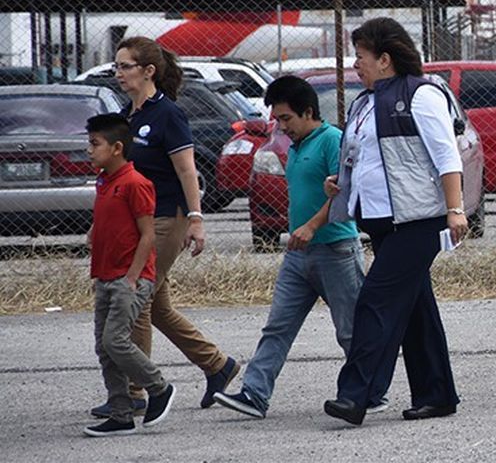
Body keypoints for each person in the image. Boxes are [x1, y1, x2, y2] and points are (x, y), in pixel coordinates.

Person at [322, 18, 467, 425]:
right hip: (382, 221)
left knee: (375, 302)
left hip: (418, 221)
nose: (355, 65)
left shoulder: (421, 94)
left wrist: (455, 210)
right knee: (417, 310)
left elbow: (446, 157)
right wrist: (342, 182)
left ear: (385, 59)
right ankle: (437, 394)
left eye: (361, 56)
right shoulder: (364, 103)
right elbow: (363, 156)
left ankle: (356, 396)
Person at [213, 76, 378, 419]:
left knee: (350, 331)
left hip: (336, 250)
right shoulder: (298, 145)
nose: (282, 127)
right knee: (278, 327)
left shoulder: (333, 140)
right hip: (298, 254)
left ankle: (371, 392)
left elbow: (344, 194)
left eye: (286, 119)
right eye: (277, 120)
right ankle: (254, 395)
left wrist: (313, 225)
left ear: (308, 112)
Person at [93, 37, 237, 420]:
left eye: (125, 66)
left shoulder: (167, 114)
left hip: (165, 218)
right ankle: (218, 366)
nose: (118, 72)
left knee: (134, 300)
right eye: (117, 66)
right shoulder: (129, 115)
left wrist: (196, 218)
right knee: (156, 306)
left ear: (148, 71)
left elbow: (187, 169)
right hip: (137, 220)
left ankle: (136, 392)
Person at [82, 114, 176, 437]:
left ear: (118, 148)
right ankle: (121, 412)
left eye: (95, 144)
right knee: (104, 347)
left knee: (116, 340)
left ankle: (159, 387)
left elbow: (147, 235)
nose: (89, 150)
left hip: (129, 278)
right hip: (106, 277)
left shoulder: (135, 183)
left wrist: (133, 278)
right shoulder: (104, 181)